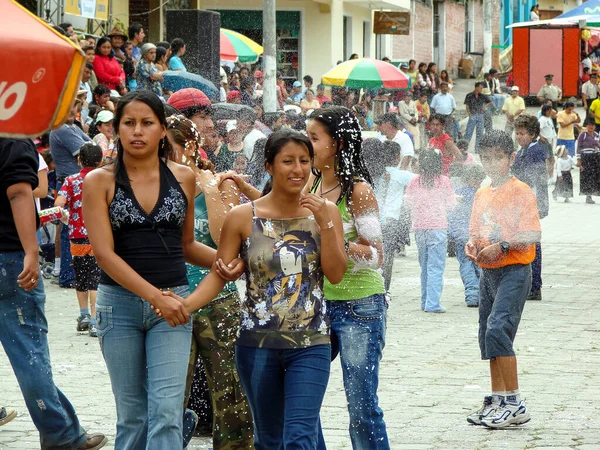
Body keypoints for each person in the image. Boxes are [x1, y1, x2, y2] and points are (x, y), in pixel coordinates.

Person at [156, 129, 347, 448]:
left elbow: (336, 274)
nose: (297, 169)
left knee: (299, 437)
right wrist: (185, 306)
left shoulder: (324, 212)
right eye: (287, 161)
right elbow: (219, 273)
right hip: (257, 345)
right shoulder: (243, 217)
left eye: (304, 161)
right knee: (269, 439)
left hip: (311, 342)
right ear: (269, 166)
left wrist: (325, 221)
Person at [82, 90, 242, 449]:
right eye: (129, 123)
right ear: (117, 130)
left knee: (168, 412)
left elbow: (185, 245)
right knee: (133, 415)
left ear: (161, 130)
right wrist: (157, 298)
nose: (137, 131)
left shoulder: (184, 177)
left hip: (173, 306)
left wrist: (223, 263)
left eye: (146, 123)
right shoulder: (100, 181)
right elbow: (104, 255)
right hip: (119, 307)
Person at [0, 137, 108, 449]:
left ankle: (63, 430)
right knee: (28, 352)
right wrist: (31, 252)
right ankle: (61, 435)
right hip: (9, 257)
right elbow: (20, 193)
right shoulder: (12, 138)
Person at [165, 114, 254, 449]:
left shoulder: (220, 183)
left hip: (220, 300)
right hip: (172, 297)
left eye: (170, 149)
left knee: (231, 392)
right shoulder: (157, 186)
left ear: (189, 147)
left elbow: (223, 239)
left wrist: (206, 186)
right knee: (171, 392)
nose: (165, 157)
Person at [306, 107, 390, 450]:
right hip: (316, 305)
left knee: (361, 407)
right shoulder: (310, 182)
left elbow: (376, 256)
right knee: (302, 397)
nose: (306, 144)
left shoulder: (358, 191)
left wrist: (334, 239)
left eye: (313, 138)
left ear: (337, 143)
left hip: (360, 307)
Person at [465, 130, 541, 428]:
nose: (491, 163)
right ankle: (497, 398)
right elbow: (475, 230)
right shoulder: (482, 192)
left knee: (499, 329)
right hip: (489, 273)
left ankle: (515, 403)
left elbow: (532, 233)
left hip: (514, 270)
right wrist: (473, 245)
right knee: (488, 333)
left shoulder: (521, 190)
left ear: (511, 158)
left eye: (498, 157)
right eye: (486, 157)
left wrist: (504, 246)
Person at [55, 143, 103, 337]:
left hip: (77, 237)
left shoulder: (71, 181)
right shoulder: (104, 180)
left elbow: (58, 206)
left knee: (81, 276)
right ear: (100, 161)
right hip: (99, 236)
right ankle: (94, 320)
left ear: (78, 160)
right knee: (96, 279)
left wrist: (67, 219)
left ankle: (83, 315)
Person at [405, 148, 456, 313]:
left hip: (420, 229)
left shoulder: (414, 182)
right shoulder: (444, 181)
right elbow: (451, 205)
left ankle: (425, 300)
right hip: (438, 229)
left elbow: (407, 203)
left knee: (425, 266)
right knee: (436, 267)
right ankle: (432, 303)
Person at [50, 102, 92, 288]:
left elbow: (91, 145)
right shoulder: (61, 129)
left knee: (71, 229)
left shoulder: (71, 127)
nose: (74, 109)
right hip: (71, 182)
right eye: (70, 106)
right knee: (70, 229)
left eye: (75, 106)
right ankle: (68, 274)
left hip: (75, 181)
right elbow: (89, 151)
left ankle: (70, 272)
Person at [512, 114, 551, 301]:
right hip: (523, 202)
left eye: (522, 133)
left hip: (531, 202)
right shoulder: (522, 150)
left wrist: (542, 204)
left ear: (533, 134)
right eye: (517, 133)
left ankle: (535, 286)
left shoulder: (535, 151)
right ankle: (530, 284)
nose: (519, 137)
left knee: (532, 243)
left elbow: (538, 179)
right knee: (527, 241)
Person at [371, 140, 416, 292]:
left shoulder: (374, 173)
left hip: (374, 219)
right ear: (397, 158)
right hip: (391, 220)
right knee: (388, 256)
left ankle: (374, 284)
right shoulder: (401, 175)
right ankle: (385, 288)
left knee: (373, 253)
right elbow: (419, 180)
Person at [448, 164, 486, 307]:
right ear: (473, 179)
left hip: (460, 236)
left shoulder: (456, 194)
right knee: (479, 263)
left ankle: (472, 294)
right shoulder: (481, 194)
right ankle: (481, 293)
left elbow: (450, 215)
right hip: (478, 235)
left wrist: (451, 233)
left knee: (466, 263)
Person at [576, 119, 600, 203]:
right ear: (586, 126)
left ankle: (596, 193)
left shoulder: (597, 134)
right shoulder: (583, 135)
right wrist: (579, 160)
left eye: (593, 125)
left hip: (596, 157)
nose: (591, 126)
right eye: (589, 125)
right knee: (587, 177)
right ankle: (588, 196)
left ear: (595, 126)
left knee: (596, 176)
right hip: (585, 157)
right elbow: (578, 147)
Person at [464, 82, 493, 152]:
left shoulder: (482, 95)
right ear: (476, 87)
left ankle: (477, 149)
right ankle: (464, 148)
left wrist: (484, 106)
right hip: (473, 115)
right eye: (480, 88)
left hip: (480, 116)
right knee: (468, 132)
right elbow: (467, 105)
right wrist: (469, 113)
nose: (481, 89)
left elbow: (490, 102)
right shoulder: (469, 95)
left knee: (480, 133)